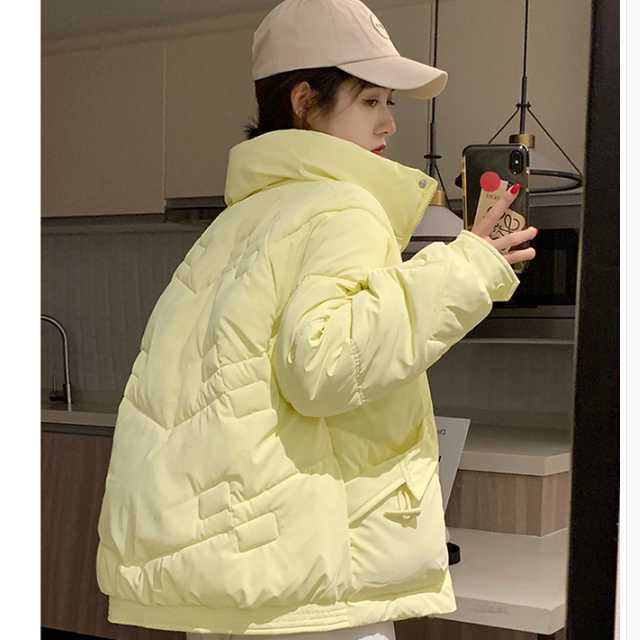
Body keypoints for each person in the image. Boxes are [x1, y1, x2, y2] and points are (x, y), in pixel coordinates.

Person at [96, 0, 537, 639]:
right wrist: (468, 266)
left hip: (240, 574)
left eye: (390, 103)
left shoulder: (237, 224)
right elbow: (326, 366)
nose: (389, 122)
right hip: (311, 576)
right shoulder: (343, 206)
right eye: (370, 100)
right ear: (305, 100)